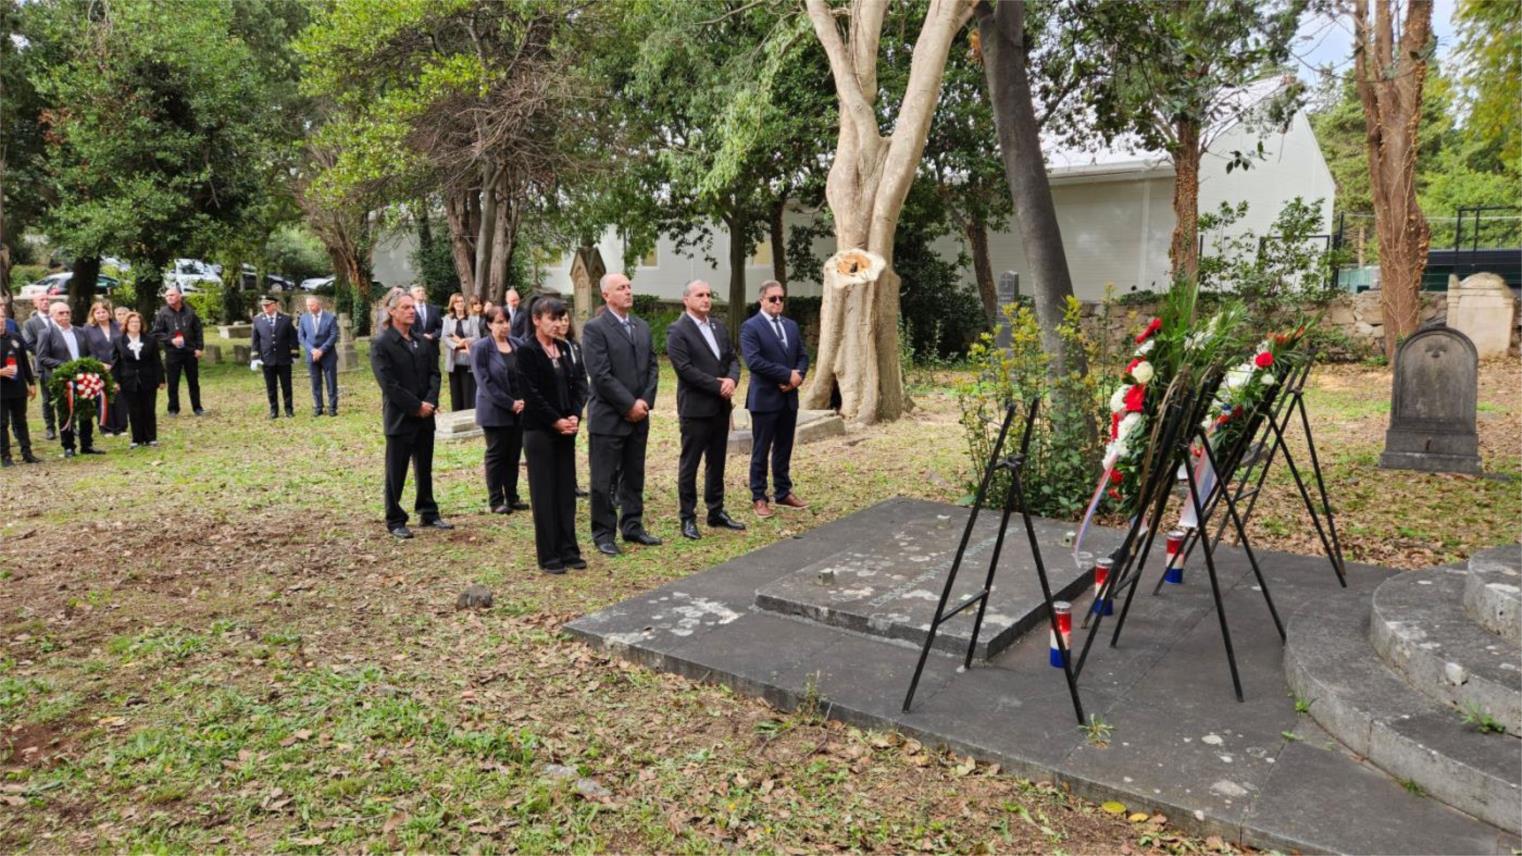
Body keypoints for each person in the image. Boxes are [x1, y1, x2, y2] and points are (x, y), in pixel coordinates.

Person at [581, 272, 662, 556]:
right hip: (609, 417)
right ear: (606, 295)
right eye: (621, 288)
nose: (628, 291)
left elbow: (653, 366)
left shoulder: (641, 327)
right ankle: (603, 533)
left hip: (640, 414)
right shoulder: (595, 329)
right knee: (603, 480)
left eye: (629, 286)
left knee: (634, 474)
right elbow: (600, 375)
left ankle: (633, 525)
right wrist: (628, 405)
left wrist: (644, 402)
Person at [666, 279, 745, 540]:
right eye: (700, 295)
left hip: (720, 408)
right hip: (696, 408)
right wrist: (716, 385)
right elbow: (684, 369)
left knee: (717, 461)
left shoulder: (718, 327)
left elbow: (732, 358)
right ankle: (687, 517)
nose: (706, 299)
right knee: (690, 464)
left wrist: (732, 380)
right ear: (686, 300)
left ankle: (716, 510)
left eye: (709, 294)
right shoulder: (678, 330)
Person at [370, 289, 451, 539]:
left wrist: (430, 401)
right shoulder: (382, 344)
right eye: (405, 307)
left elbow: (434, 374)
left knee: (424, 467)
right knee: (396, 470)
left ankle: (428, 510)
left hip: (425, 417)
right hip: (401, 417)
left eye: (413, 307)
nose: (411, 311)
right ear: (392, 311)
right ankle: (394, 518)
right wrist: (416, 406)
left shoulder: (422, 341)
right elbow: (389, 383)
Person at [515, 297, 587, 573]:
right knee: (544, 493)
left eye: (560, 318)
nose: (558, 324)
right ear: (536, 320)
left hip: (566, 429)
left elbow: (580, 383)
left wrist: (574, 414)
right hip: (540, 430)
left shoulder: (566, 348)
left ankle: (569, 548)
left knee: (565, 491)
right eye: (552, 318)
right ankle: (549, 554)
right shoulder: (527, 352)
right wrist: (555, 420)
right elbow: (530, 393)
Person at [740, 281, 811, 517]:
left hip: (789, 398)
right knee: (761, 449)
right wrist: (785, 374)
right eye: (773, 299)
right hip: (765, 399)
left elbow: (802, 355)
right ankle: (759, 496)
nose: (778, 302)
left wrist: (797, 376)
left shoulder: (790, 326)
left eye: (781, 298)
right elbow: (754, 361)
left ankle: (783, 492)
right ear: (762, 300)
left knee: (784, 447)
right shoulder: (751, 327)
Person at [471, 307, 529, 514]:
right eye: (499, 322)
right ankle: (496, 499)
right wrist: (509, 403)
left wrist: (523, 400)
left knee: (513, 454)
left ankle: (512, 496)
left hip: (519, 408)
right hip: (495, 409)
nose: (504, 326)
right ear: (489, 324)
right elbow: (485, 383)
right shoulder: (481, 347)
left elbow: (525, 375)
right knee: (497, 455)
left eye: (506, 321)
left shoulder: (518, 344)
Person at [34, 302, 102, 458]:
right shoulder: (46, 333)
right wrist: (66, 366)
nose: (65, 316)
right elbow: (43, 357)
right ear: (52, 315)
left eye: (67, 312)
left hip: (83, 377)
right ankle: (68, 446)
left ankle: (87, 444)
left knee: (86, 410)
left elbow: (92, 352)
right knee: (66, 412)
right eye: (60, 313)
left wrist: (86, 364)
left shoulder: (80, 331)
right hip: (62, 378)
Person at [113, 311, 165, 448]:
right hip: (128, 380)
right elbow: (116, 363)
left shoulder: (150, 340)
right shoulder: (118, 341)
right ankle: (137, 438)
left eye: (137, 322)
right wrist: (115, 381)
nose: (135, 324)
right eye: (132, 322)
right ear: (126, 324)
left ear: (142, 324)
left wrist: (161, 379)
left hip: (148, 378)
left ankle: (151, 438)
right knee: (134, 410)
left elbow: (156, 360)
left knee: (149, 408)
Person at [151, 286, 205, 416]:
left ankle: (197, 407)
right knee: (173, 381)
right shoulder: (163, 313)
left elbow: (198, 330)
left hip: (190, 351)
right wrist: (171, 340)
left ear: (180, 296)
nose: (169, 298)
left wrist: (199, 348)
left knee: (193, 381)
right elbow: (157, 333)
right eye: (167, 296)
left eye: (172, 295)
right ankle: (173, 409)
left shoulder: (190, 311)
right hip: (172, 352)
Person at [0, 301, 39, 465]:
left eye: (2, 316)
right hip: (1, 389)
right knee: (2, 423)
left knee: (21, 420)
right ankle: (5, 456)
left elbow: (24, 361)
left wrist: (31, 382)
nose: (0, 320)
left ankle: (27, 452)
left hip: (18, 387)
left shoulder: (14, 337)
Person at [81, 301, 128, 436]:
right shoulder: (87, 329)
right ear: (93, 314)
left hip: (118, 367)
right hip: (99, 367)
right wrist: (98, 364)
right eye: (98, 312)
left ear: (109, 313)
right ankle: (106, 427)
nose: (101, 315)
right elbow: (86, 351)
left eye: (104, 312)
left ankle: (121, 426)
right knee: (103, 397)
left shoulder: (119, 326)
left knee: (119, 396)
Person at [250, 295, 298, 419]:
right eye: (263, 305)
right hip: (267, 359)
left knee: (286, 386)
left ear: (275, 305)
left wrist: (295, 354)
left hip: (284, 358)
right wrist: (255, 357)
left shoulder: (286, 319)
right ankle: (274, 410)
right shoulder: (258, 320)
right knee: (271, 387)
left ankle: (289, 409)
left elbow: (293, 337)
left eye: (268, 305)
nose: (265, 307)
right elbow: (255, 340)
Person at [21, 295, 56, 440]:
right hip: (45, 366)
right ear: (35, 303)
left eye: (47, 299)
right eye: (41, 299)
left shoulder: (57, 318)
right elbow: (28, 343)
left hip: (63, 363)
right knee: (48, 398)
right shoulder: (30, 323)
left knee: (67, 395)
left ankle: (71, 425)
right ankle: (50, 428)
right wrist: (45, 353)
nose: (45, 301)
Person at [298, 295, 339, 417]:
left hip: (328, 355)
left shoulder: (330, 317)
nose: (309, 308)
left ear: (318, 304)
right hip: (312, 355)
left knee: (331, 382)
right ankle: (318, 407)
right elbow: (301, 337)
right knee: (315, 382)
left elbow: (333, 336)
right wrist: (312, 350)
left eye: (312, 305)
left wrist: (321, 350)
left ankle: (332, 407)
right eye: (308, 306)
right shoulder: (304, 318)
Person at [441, 292, 482, 411]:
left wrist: (464, 341)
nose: (460, 304)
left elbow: (477, 337)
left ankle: (470, 413)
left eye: (461, 301)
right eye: (457, 302)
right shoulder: (448, 319)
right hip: (454, 359)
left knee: (469, 389)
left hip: (468, 359)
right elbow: (445, 336)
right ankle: (457, 413)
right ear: (452, 304)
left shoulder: (471, 319)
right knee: (456, 390)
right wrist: (456, 345)